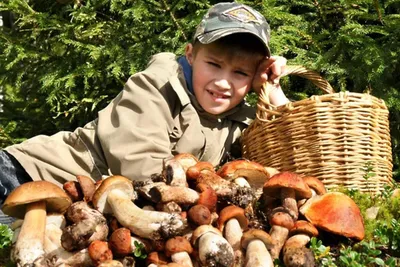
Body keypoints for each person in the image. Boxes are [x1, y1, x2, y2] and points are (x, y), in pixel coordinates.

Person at [0, 2, 289, 210]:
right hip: (27, 174)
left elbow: (293, 146)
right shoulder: (154, 86)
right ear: (190, 55)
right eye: (214, 65)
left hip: (75, 207)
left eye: (240, 73)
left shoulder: (238, 117)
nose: (224, 82)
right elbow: (142, 168)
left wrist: (272, 89)